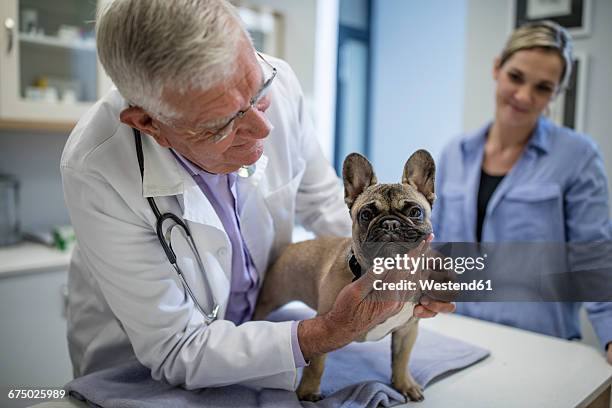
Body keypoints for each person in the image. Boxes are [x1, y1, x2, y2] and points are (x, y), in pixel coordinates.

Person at [60, 0, 453, 390]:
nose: (263, 126)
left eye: (258, 91)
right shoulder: (98, 169)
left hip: (261, 325)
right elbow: (175, 347)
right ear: (150, 123)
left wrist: (384, 266)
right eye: (223, 123)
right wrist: (327, 330)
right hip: (141, 373)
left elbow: (324, 204)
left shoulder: (280, 80)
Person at [432, 20, 612, 364]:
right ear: (497, 68)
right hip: (457, 335)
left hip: (540, 347)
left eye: (543, 88)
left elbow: (594, 256)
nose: (525, 96)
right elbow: (436, 246)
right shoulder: (455, 153)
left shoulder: (577, 156)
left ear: (556, 94)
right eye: (516, 77)